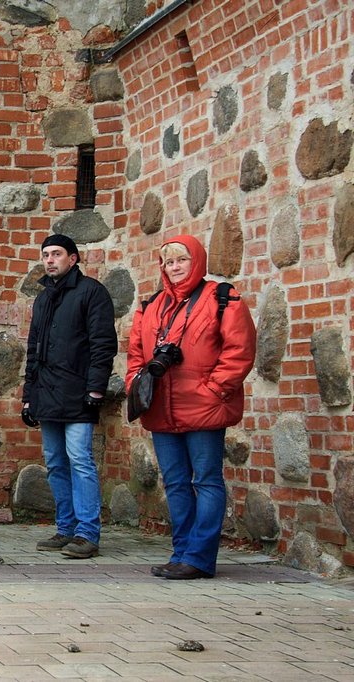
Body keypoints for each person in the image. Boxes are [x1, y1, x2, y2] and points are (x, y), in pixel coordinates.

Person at [127, 235, 255, 580]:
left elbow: (239, 350)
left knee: (207, 481)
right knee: (176, 483)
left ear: (196, 261)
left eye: (182, 260)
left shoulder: (222, 298)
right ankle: (181, 553)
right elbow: (136, 355)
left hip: (204, 408)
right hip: (161, 408)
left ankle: (198, 558)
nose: (175, 267)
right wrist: (136, 386)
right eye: (169, 262)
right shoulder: (151, 306)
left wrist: (213, 390)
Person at [22, 234, 117, 560]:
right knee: (55, 463)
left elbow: (103, 344)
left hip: (78, 392)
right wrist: (28, 396)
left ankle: (87, 533)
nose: (50, 260)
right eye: (46, 254)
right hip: (47, 394)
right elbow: (33, 350)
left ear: (72, 258)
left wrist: (95, 388)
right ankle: (65, 528)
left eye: (57, 254)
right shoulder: (43, 298)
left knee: (80, 461)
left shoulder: (91, 292)